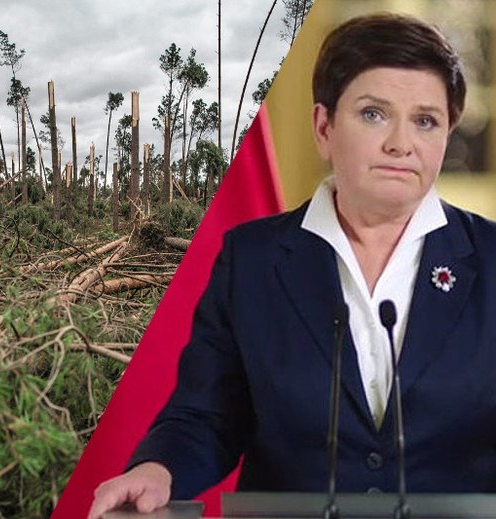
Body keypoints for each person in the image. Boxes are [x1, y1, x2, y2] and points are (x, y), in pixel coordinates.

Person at [88, 12, 496, 519]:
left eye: (425, 121)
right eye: (374, 114)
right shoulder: (252, 260)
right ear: (324, 127)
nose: (400, 142)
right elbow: (208, 415)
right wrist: (157, 469)